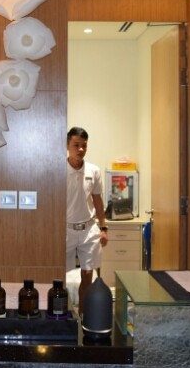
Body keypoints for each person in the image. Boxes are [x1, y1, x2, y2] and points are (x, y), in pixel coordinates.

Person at [66, 126, 108, 312]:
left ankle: (83, 317)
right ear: (67, 145)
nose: (81, 149)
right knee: (60, 275)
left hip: (88, 229)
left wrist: (103, 228)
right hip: (65, 229)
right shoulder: (59, 169)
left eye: (84, 145)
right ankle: (63, 315)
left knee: (88, 274)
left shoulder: (94, 171)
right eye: (76, 145)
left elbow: (97, 200)